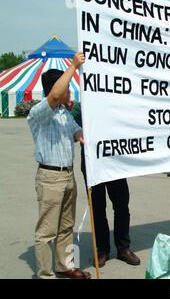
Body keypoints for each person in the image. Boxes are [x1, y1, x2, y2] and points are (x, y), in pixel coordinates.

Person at [27, 53, 91, 279]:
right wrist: (73, 65)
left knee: (66, 225)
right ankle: (46, 274)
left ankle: (66, 265)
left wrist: (86, 135)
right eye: (66, 86)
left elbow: (77, 133)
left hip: (68, 176)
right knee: (46, 232)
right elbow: (55, 94)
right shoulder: (39, 112)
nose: (68, 91)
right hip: (49, 177)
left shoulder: (64, 113)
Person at [71, 102, 140, 268]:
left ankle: (123, 248)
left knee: (122, 206)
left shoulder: (115, 102)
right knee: (97, 208)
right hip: (92, 162)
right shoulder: (81, 105)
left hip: (115, 160)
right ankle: (102, 250)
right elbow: (71, 125)